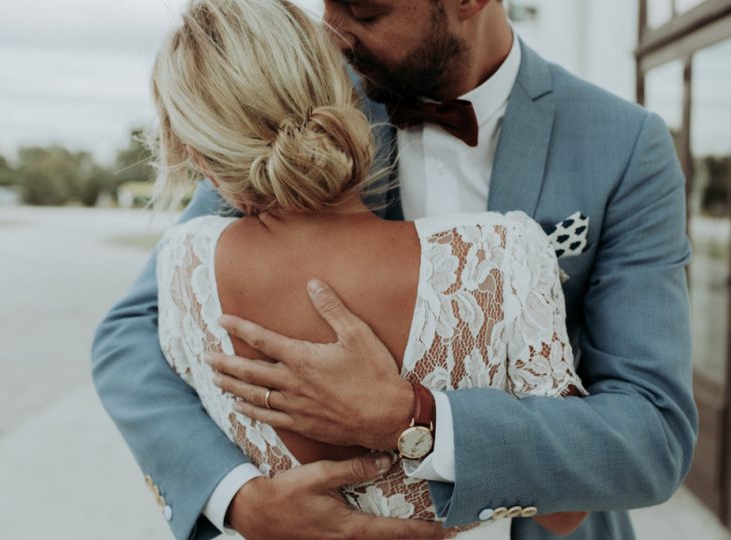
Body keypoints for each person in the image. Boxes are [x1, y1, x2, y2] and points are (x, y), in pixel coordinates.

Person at [92, 1, 696, 539]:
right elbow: (129, 337)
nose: (333, 35)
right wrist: (239, 498)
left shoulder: (625, 145)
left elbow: (654, 431)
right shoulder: (296, 107)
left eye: (366, 12)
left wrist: (416, 418)